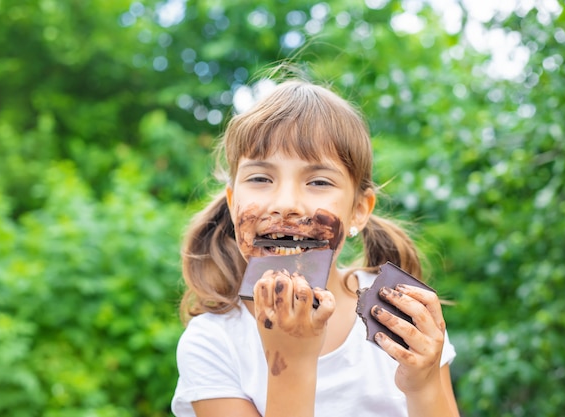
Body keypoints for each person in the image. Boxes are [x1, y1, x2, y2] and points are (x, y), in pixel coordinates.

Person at [171, 78, 460, 417]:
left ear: (359, 210)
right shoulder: (213, 343)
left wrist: (423, 383)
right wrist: (290, 362)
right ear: (233, 203)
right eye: (261, 178)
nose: (285, 204)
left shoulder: (399, 318)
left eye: (319, 182)